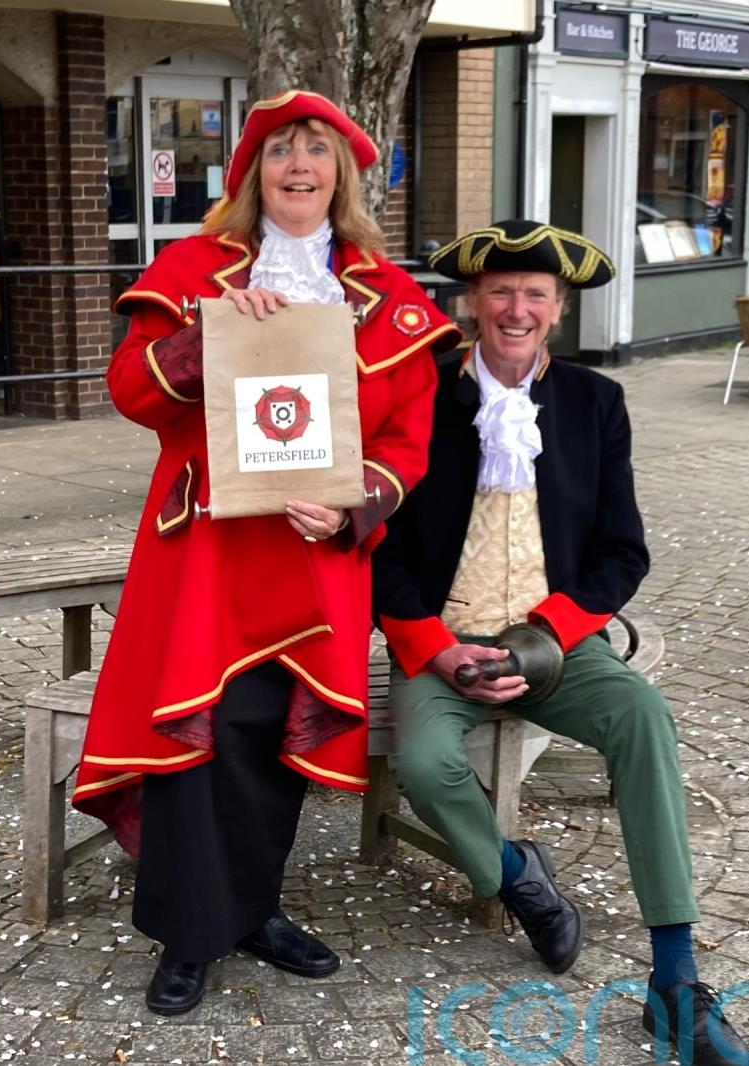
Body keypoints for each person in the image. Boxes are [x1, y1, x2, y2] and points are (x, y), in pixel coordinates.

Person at [72, 90, 461, 1016]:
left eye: (317, 152)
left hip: (314, 553)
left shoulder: (387, 295)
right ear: (253, 172)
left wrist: (355, 505)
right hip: (205, 549)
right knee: (193, 736)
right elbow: (130, 388)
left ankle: (252, 913)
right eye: (281, 149)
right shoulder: (196, 269)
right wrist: (204, 335)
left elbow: (408, 438)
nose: (298, 166)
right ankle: (187, 934)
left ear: (342, 174)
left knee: (265, 739)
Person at [371, 220, 749, 1066]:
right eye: (501, 292)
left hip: (555, 640)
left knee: (643, 719)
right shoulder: (417, 395)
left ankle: (675, 980)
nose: (516, 309)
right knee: (426, 761)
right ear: (472, 303)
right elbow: (383, 552)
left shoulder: (595, 401)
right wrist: (440, 651)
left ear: (559, 309)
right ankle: (516, 875)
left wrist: (547, 639)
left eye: (535, 296)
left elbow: (624, 550)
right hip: (445, 638)